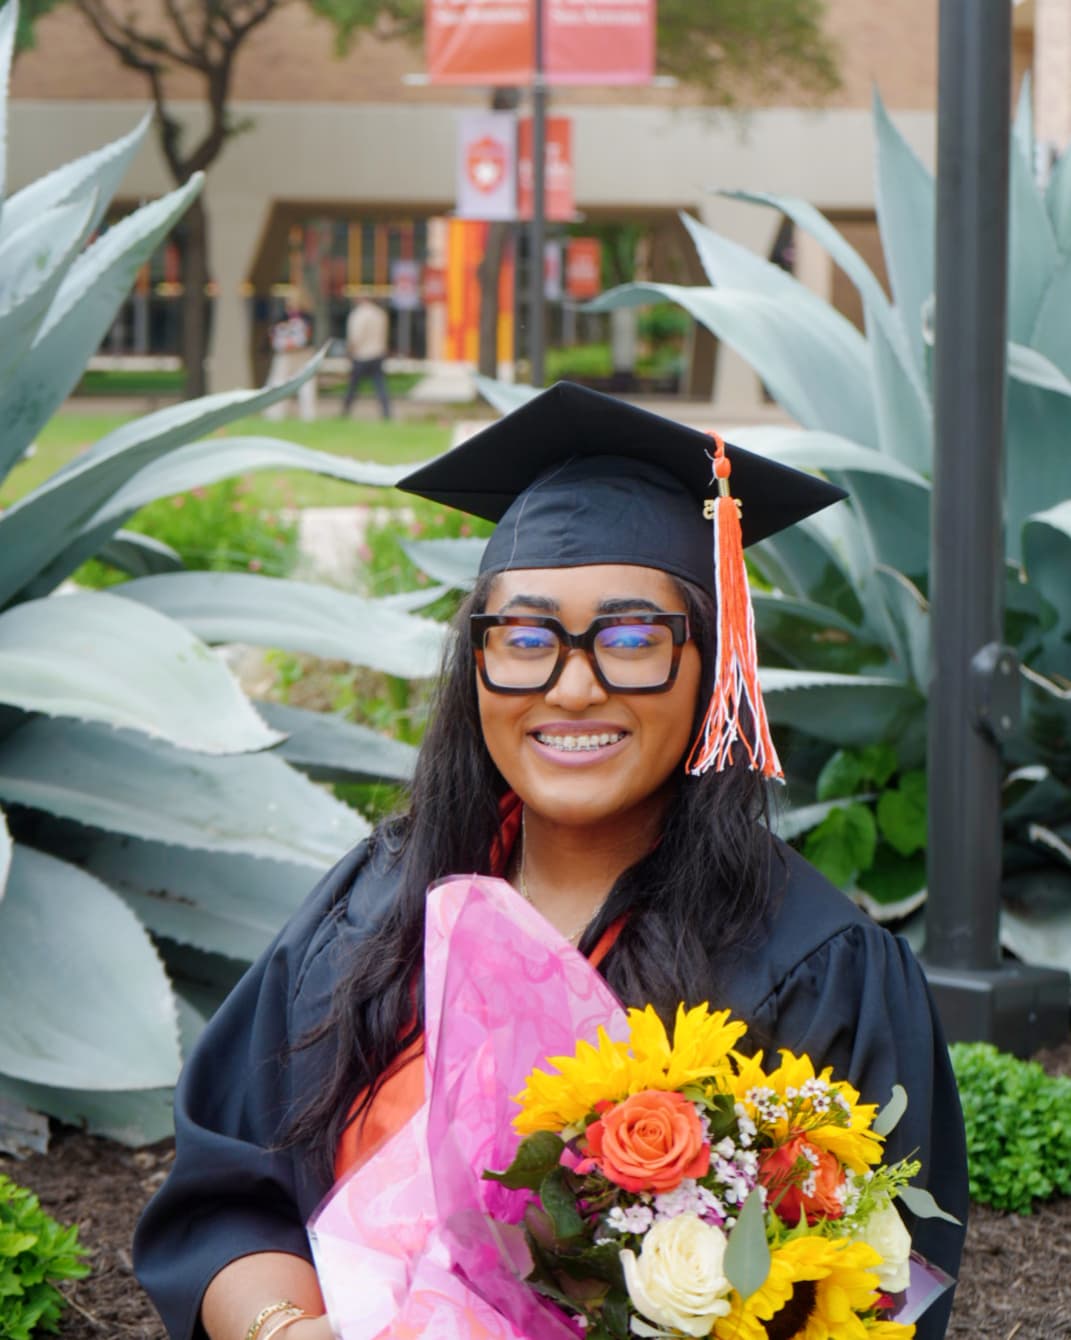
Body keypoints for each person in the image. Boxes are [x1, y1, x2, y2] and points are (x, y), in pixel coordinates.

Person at [134, 382, 968, 1340]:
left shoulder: (818, 970)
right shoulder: (372, 908)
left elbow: (863, 1295)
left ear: (713, 667)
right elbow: (228, 1191)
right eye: (525, 639)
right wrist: (286, 1329)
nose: (573, 688)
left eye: (631, 640)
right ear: (477, 663)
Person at [264, 292, 317, 422]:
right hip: (293, 354)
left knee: (287, 382)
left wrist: (288, 344)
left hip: (296, 354)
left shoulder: (304, 318)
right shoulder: (299, 318)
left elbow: (305, 337)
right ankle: (278, 413)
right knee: (284, 383)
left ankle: (277, 414)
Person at [341, 295, 391, 420]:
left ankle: (345, 410)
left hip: (361, 355)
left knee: (353, 386)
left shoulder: (358, 315)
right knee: (380, 385)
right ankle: (386, 411)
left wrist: (349, 351)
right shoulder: (380, 314)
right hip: (377, 353)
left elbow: (356, 336)